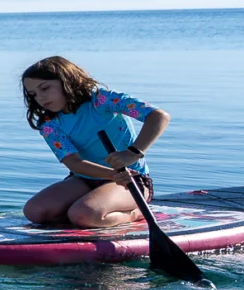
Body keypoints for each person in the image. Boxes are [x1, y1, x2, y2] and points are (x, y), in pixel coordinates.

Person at [20, 56, 170, 229]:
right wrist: (111, 174)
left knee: (83, 215)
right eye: (33, 94)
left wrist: (132, 153)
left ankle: (135, 212)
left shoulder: (102, 99)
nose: (40, 97)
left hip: (130, 180)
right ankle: (89, 209)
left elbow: (158, 116)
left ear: (67, 80)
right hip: (85, 179)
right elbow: (75, 163)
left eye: (45, 88)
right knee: (34, 211)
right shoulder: (49, 123)